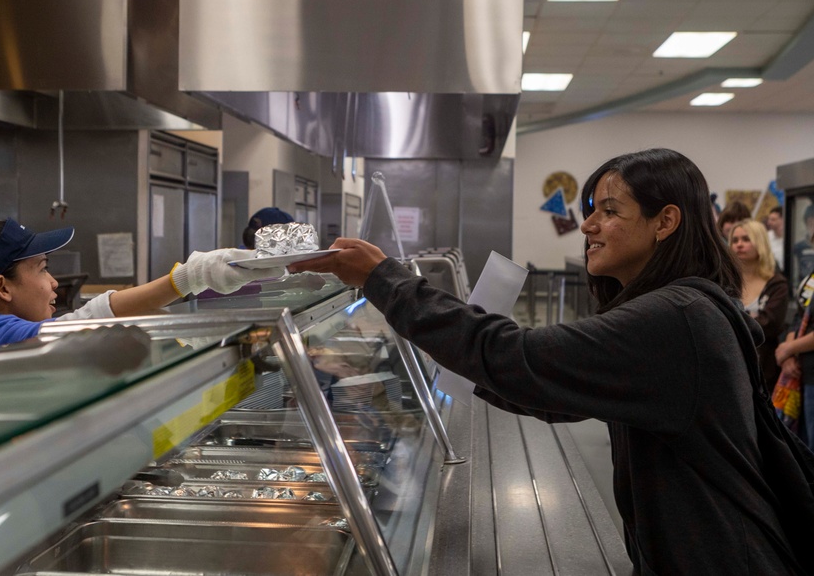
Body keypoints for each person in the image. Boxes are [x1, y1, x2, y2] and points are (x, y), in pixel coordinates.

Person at [289, 148, 814, 575]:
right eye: (591, 209)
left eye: (610, 210)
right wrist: (460, 360)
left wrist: (385, 280)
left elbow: (520, 358)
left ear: (665, 222)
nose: (588, 225)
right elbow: (551, 392)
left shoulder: (676, 317)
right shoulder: (689, 307)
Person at [0, 218, 278, 354]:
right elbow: (82, 325)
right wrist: (190, 277)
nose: (54, 282)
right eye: (42, 269)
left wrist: (174, 331)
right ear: (2, 287)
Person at [729, 219, 789, 393]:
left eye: (746, 239)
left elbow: (770, 324)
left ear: (760, 243)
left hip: (764, 371)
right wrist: (751, 318)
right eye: (735, 240)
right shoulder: (725, 281)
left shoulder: (777, 283)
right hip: (731, 367)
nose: (739, 245)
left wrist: (734, 320)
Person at [777, 236, 814, 449]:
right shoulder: (810, 279)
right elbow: (798, 318)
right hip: (801, 374)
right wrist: (787, 356)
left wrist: (789, 348)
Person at [766, 206, 786, 271]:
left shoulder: (790, 237)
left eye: (773, 220)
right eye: (769, 219)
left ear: (782, 220)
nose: (769, 223)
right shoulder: (767, 237)